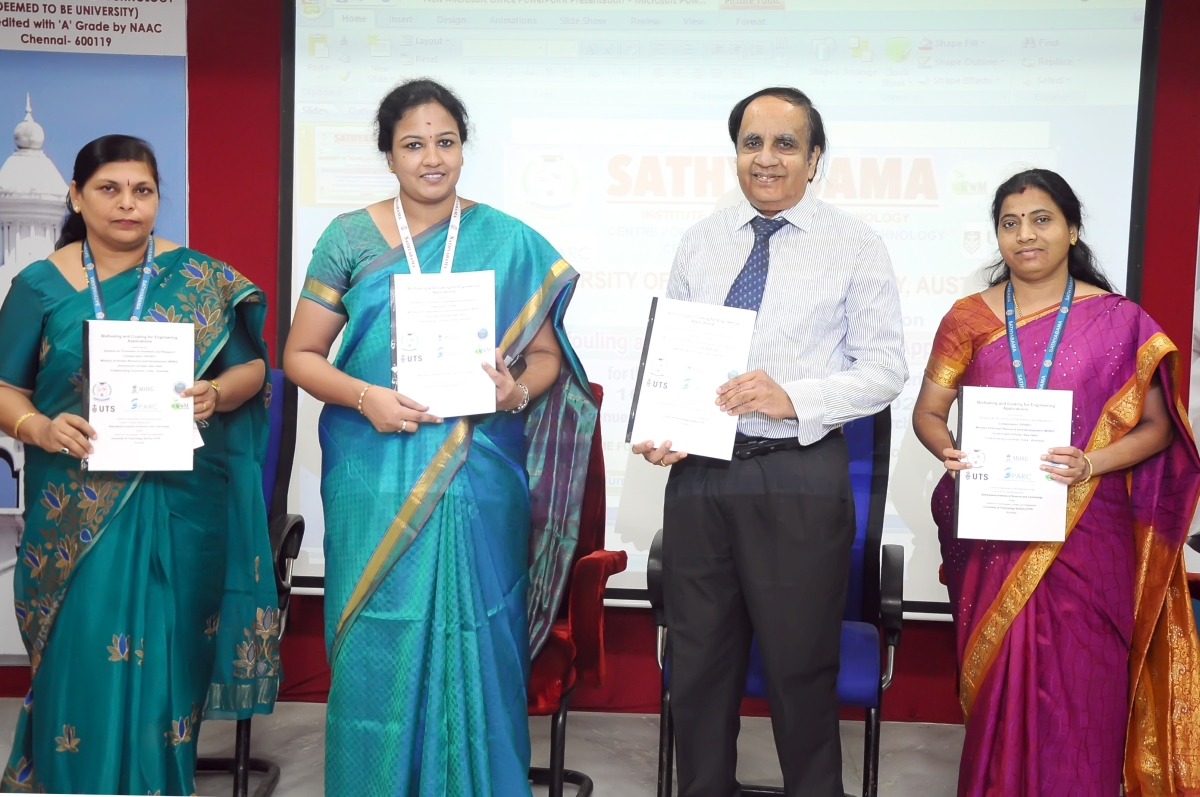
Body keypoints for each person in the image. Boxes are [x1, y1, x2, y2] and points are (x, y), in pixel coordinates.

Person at [282, 79, 596, 797]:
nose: (432, 158)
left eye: (445, 142)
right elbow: (300, 355)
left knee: (481, 637)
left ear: (463, 148)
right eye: (414, 144)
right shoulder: (348, 238)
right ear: (389, 155)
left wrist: (516, 391)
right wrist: (366, 397)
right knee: (377, 636)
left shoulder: (510, 239)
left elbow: (545, 358)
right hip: (375, 473)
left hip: (481, 475)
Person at [633, 87, 907, 796]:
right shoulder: (701, 241)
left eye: (786, 143)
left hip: (798, 476)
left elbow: (885, 369)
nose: (766, 158)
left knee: (800, 671)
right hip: (701, 478)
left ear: (814, 159)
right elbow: (678, 355)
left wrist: (796, 398)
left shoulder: (856, 246)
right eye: (752, 143)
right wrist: (665, 426)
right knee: (698, 670)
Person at [0, 135, 277, 795]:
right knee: (80, 659)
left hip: (181, 505)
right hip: (74, 511)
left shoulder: (200, 279)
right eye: (109, 189)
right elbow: (6, 387)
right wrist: (38, 426)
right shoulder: (38, 286)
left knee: (168, 663)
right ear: (76, 197)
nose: (128, 203)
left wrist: (217, 392)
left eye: (142, 190)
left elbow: (252, 369)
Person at [912, 168, 1200, 796]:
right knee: (1000, 689)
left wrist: (1090, 463)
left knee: (1086, 695)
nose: (1025, 235)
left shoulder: (1122, 320)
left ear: (1071, 230)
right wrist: (949, 450)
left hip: (1091, 534)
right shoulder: (967, 318)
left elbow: (1158, 427)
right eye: (1010, 223)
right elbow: (928, 413)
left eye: (1041, 219)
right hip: (994, 529)